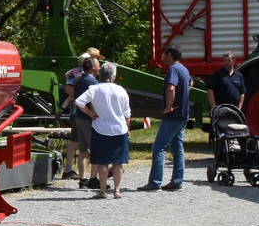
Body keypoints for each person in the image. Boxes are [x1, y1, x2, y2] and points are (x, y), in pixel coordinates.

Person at [139, 44, 192, 192]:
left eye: (164, 54)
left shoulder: (173, 69)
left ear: (169, 54)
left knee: (159, 147)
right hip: (183, 114)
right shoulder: (184, 69)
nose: (162, 56)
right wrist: (182, 97)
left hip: (173, 115)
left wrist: (169, 106)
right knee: (177, 147)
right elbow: (190, 84)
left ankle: (154, 183)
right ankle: (177, 181)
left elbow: (170, 88)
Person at [76, 62, 131, 197]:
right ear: (113, 76)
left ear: (101, 74)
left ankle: (102, 191)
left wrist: (90, 113)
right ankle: (117, 190)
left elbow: (79, 102)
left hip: (100, 128)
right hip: (119, 128)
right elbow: (127, 113)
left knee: (102, 161)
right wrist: (127, 128)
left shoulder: (94, 89)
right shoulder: (121, 90)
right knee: (118, 162)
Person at [65, 54, 100, 187]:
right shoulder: (92, 82)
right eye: (98, 64)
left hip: (79, 117)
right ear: (92, 67)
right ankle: (93, 179)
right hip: (87, 119)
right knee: (95, 149)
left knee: (83, 150)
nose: (100, 66)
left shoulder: (79, 79)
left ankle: (83, 179)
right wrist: (92, 113)